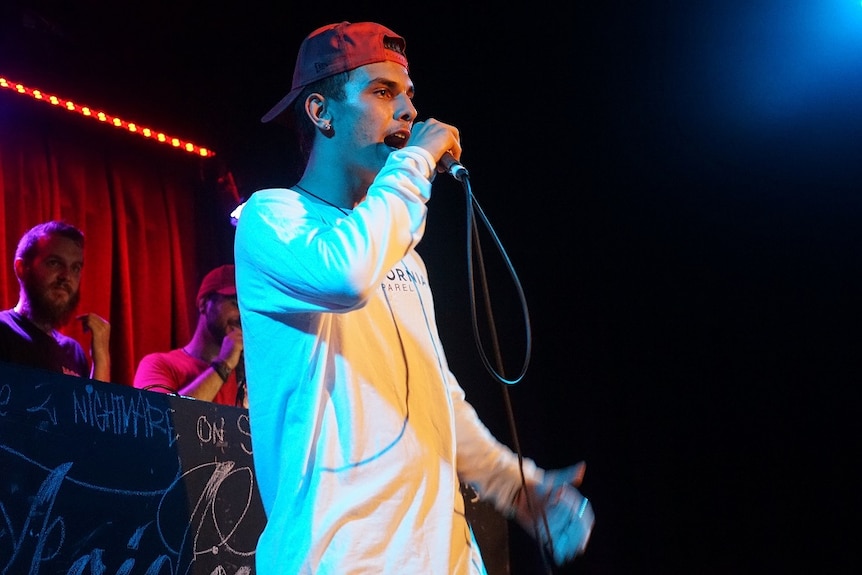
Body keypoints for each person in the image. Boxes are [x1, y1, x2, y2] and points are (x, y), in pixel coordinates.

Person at [234, 21, 594, 574]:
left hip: (442, 557)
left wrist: (514, 487)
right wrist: (414, 162)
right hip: (343, 559)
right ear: (320, 112)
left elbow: (437, 396)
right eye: (382, 93)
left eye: (409, 97)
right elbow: (345, 277)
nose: (408, 112)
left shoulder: (403, 255)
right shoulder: (273, 218)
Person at [0, 220, 111, 381]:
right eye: (54, 263)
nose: (66, 276)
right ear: (21, 268)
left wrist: (101, 359)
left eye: (75, 268)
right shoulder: (4, 331)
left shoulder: (73, 351)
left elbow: (93, 406)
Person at [132, 264, 246, 407]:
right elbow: (162, 421)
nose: (242, 315)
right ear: (204, 304)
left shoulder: (247, 376)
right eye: (235, 304)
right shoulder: (158, 364)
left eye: (246, 307)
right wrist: (224, 364)